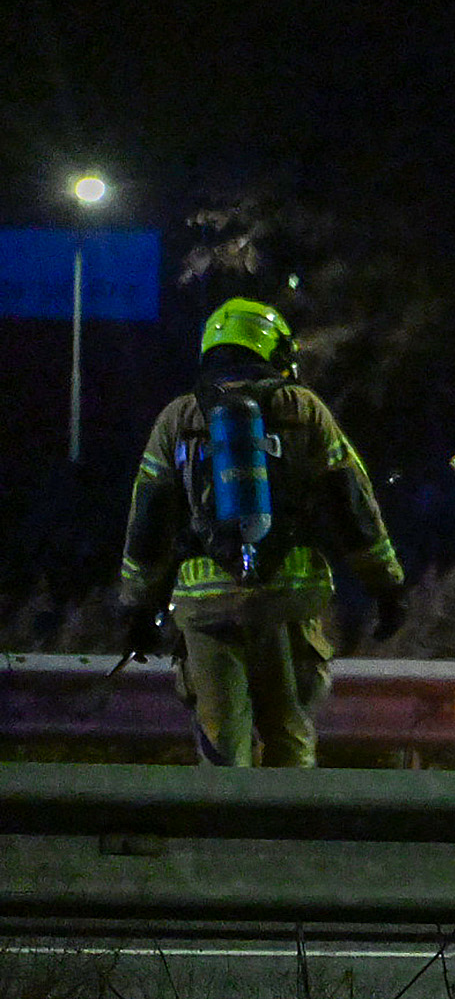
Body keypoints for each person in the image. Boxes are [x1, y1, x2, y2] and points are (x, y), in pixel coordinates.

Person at [118, 298, 407, 767]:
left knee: (222, 751)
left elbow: (148, 521)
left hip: (205, 606)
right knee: (289, 736)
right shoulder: (304, 410)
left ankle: (225, 837)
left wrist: (136, 606)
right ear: (271, 347)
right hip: (288, 599)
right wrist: (386, 585)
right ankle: (288, 836)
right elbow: (353, 505)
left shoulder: (178, 418)